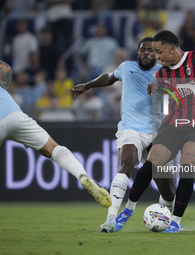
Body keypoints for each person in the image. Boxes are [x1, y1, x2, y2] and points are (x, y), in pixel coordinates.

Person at [0, 53, 111, 239]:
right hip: (10, 110)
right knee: (54, 148)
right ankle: (83, 176)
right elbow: (5, 69)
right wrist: (3, 93)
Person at [115, 30, 195, 233]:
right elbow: (165, 87)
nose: (156, 57)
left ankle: (175, 221)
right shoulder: (161, 72)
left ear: (173, 49)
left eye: (159, 52)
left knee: (187, 165)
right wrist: (154, 87)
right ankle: (128, 210)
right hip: (173, 123)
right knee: (152, 162)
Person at [72, 37, 175, 233]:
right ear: (138, 53)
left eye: (150, 50)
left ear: (157, 54)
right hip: (131, 129)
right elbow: (109, 78)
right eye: (143, 50)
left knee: (168, 191)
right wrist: (87, 85)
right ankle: (111, 219)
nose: (146, 53)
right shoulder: (126, 67)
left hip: (157, 132)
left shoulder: (164, 72)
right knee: (126, 163)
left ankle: (167, 215)